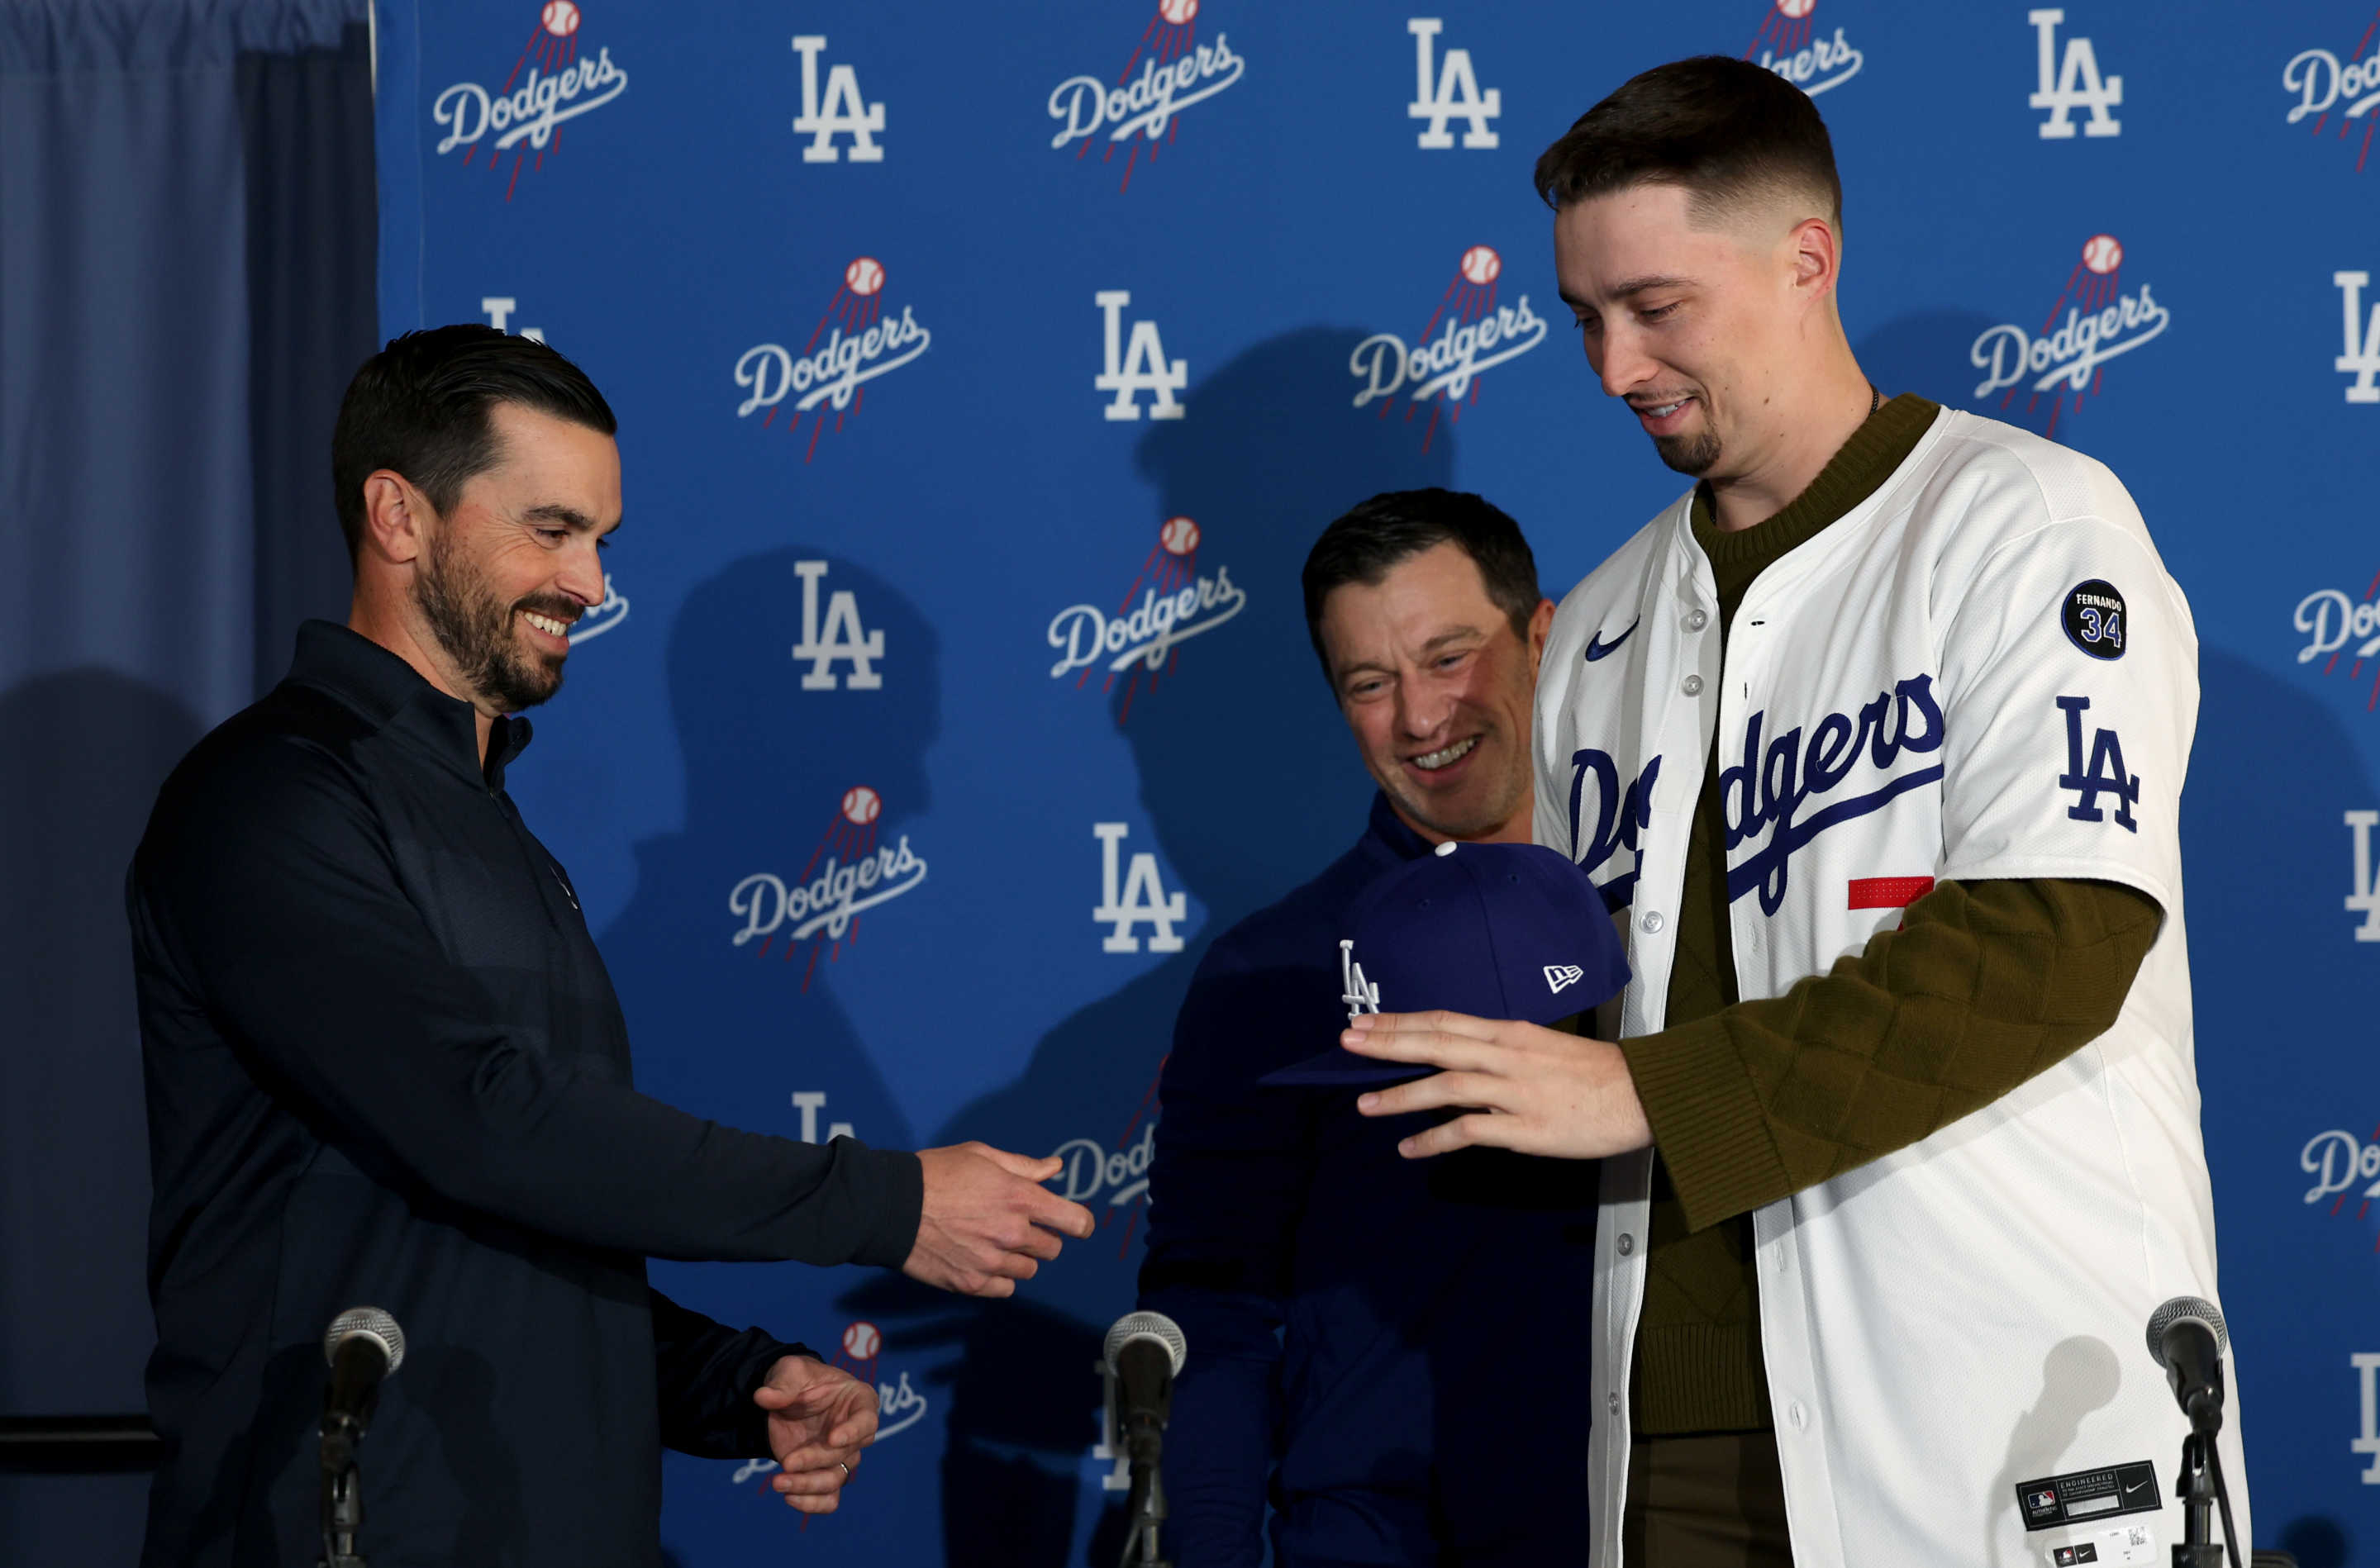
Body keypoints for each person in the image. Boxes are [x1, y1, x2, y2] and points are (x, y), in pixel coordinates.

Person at [1342, 57, 2249, 1568]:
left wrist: (1647, 1098)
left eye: (1655, 307)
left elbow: (2058, 936)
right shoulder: (1609, 620)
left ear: (1805, 258)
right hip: (1678, 1437)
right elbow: (1599, 1009)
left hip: (2001, 1402)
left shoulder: (2020, 522)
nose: (1612, 364)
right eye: (1583, 318)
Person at [126, 325, 1095, 1568]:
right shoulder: (269, 800)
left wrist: (732, 1382)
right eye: (550, 529)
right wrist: (887, 1202)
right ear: (399, 515)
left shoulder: (501, 832)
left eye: (600, 539)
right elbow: (482, 1120)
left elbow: (506, 1225)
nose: (590, 581)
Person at [1139, 489, 1615, 1568]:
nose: (1420, 717)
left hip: (1663, 1523)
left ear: (1543, 637)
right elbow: (1211, 1304)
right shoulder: (1275, 969)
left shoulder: (1685, 916)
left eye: (1450, 657)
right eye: (1370, 682)